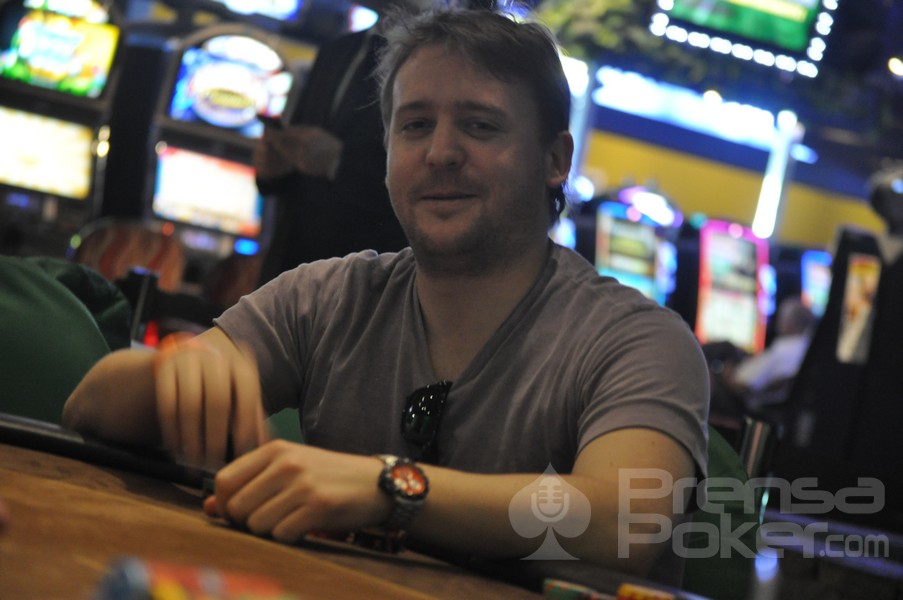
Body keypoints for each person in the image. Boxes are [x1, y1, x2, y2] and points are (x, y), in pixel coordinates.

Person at [63, 9, 709, 579]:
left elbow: (625, 523)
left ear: (554, 160)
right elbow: (89, 405)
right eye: (415, 125)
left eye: (481, 126)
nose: (440, 152)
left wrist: (389, 488)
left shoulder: (638, 339)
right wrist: (170, 375)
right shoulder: (328, 295)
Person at [254, 21, 408, 284]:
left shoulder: (426, 62)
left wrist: (338, 163)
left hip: (362, 279)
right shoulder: (337, 48)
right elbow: (302, 159)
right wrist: (274, 169)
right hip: (290, 267)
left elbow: (418, 186)